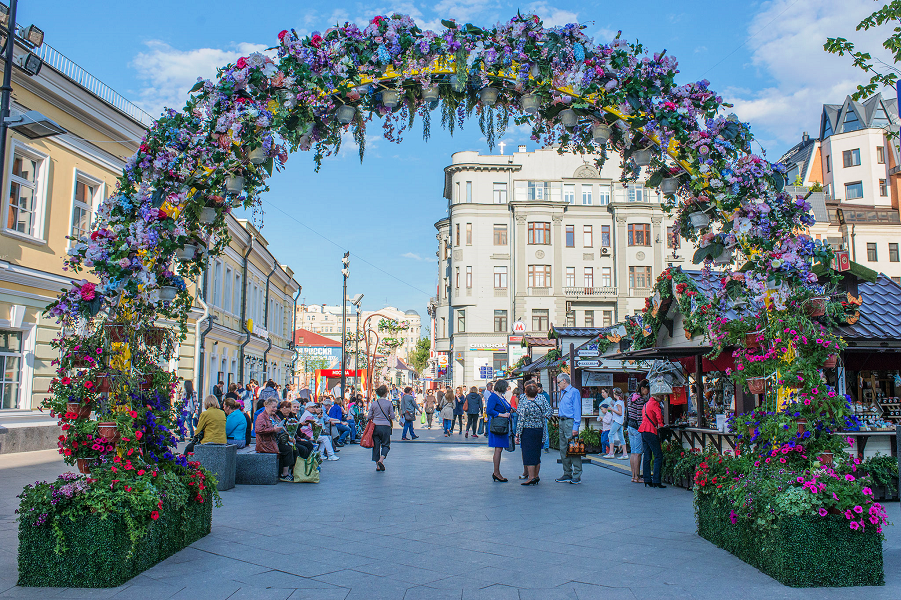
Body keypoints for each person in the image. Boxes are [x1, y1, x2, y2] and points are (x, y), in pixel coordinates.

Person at [516, 383, 551, 485]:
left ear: (526, 393)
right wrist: (544, 417)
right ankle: (536, 475)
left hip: (528, 430)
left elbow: (521, 420)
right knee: (537, 453)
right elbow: (549, 411)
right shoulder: (541, 401)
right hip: (539, 429)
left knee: (528, 453)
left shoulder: (525, 404)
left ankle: (531, 477)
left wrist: (517, 433)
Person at [255, 398, 296, 481]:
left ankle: (292, 472)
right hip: (266, 443)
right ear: (266, 406)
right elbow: (258, 430)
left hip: (275, 441)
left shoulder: (275, 416)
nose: (275, 409)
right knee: (287, 450)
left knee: (295, 449)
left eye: (275, 407)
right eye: (273, 407)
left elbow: (282, 428)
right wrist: (273, 430)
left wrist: (290, 437)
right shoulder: (261, 417)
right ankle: (284, 474)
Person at [554, 373, 583, 484]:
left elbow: (577, 409)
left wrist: (576, 426)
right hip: (562, 421)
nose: (558, 385)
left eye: (558, 382)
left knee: (574, 448)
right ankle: (567, 473)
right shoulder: (563, 392)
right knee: (563, 448)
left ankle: (577, 474)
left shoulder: (574, 392)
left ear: (564, 381)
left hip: (570, 422)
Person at [486, 380, 513, 482]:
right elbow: (489, 410)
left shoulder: (500, 397)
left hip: (502, 425)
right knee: (498, 449)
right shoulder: (494, 397)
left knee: (499, 449)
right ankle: (496, 472)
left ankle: (496, 472)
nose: (507, 389)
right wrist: (502, 414)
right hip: (498, 426)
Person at [640, 394, 667, 488]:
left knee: (647, 456)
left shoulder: (646, 404)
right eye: (662, 396)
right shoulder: (656, 404)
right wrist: (661, 425)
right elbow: (659, 417)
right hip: (651, 430)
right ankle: (656, 480)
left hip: (643, 430)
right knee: (658, 455)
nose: (663, 398)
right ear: (657, 396)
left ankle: (647, 479)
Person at [627, 382, 650, 483]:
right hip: (637, 428)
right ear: (642, 388)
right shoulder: (640, 400)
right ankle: (637, 477)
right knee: (638, 453)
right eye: (646, 389)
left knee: (633, 452)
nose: (648, 391)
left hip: (630, 426)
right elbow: (640, 417)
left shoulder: (630, 397)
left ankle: (633, 476)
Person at [368, 385, 395, 471]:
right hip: (385, 426)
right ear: (386, 393)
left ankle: (377, 466)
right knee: (386, 444)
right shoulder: (389, 403)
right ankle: (381, 460)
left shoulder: (374, 403)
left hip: (375, 426)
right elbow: (392, 416)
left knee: (376, 445)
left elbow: (369, 416)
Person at [607, 388, 628, 459]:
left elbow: (620, 412)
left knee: (610, 435)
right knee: (621, 437)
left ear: (615, 394)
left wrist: (612, 409)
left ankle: (611, 452)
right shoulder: (621, 402)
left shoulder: (618, 402)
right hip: (620, 421)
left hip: (617, 421)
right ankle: (625, 453)